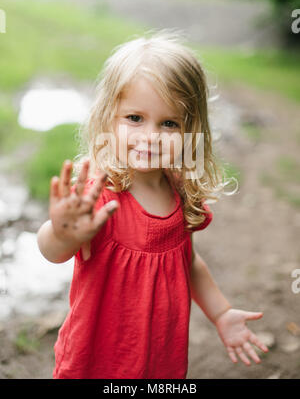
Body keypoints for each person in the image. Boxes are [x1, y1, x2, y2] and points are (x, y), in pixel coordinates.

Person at [37, 30, 269, 379]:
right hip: (96, 362)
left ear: (192, 130)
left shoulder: (180, 190)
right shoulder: (102, 196)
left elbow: (187, 261)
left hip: (160, 359)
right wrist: (60, 231)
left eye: (169, 123)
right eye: (134, 118)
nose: (150, 136)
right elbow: (53, 251)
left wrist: (221, 313)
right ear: (107, 118)